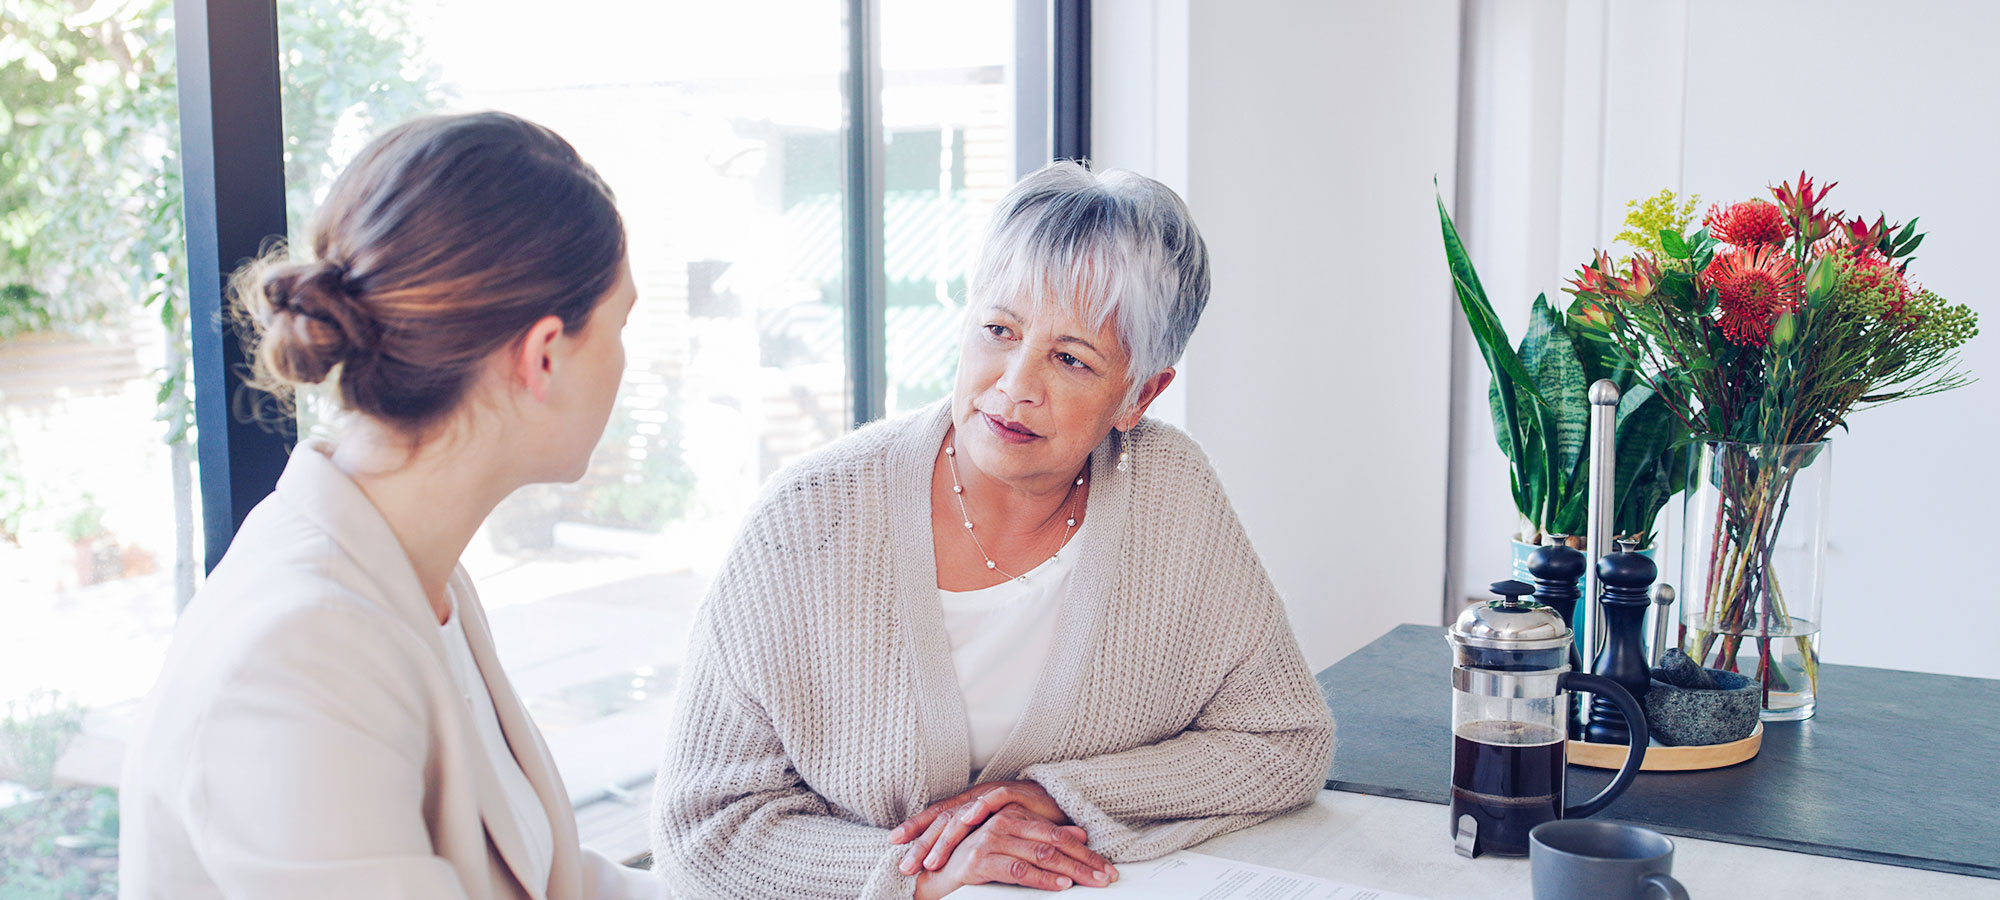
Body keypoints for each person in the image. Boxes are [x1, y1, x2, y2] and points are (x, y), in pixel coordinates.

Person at [650, 162, 1334, 899]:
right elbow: (701, 831)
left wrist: (1060, 794)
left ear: (1140, 393)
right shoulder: (810, 516)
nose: (1015, 384)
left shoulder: (1169, 493)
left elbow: (1285, 740)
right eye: (998, 331)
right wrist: (919, 872)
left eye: (1071, 359)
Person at [118, 112, 662, 900]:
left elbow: (553, 878)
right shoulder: (294, 662)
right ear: (543, 356)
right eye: (621, 323)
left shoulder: (411, 574)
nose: (624, 359)